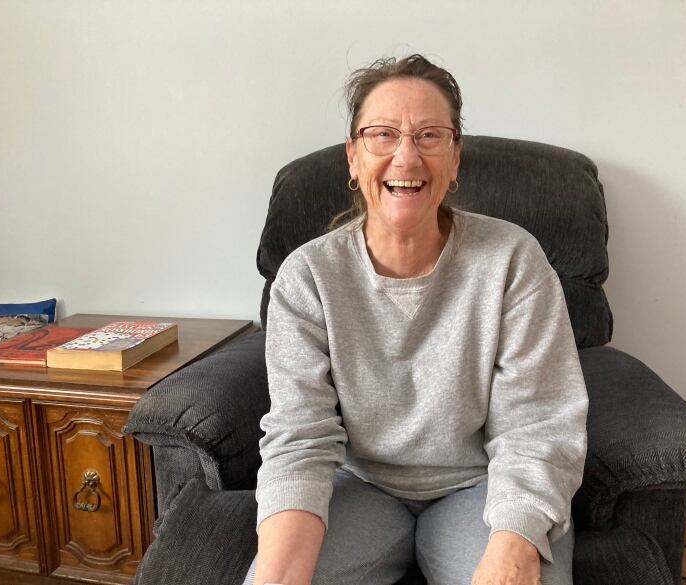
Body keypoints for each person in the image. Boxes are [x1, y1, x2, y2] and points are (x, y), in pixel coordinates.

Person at [244, 54, 588, 585]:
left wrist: (513, 543)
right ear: (353, 158)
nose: (406, 157)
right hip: (356, 487)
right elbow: (300, 438)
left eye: (430, 136)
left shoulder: (513, 260)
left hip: (482, 487)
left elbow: (538, 428)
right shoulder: (306, 276)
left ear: (455, 159)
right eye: (383, 134)